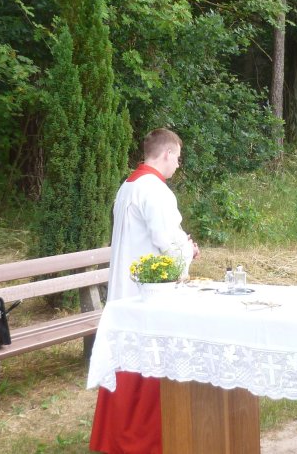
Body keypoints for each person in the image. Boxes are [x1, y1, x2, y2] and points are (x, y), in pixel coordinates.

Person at [89, 128, 199, 454]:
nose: (178, 164)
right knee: (147, 364)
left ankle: (115, 437)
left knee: (127, 363)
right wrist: (188, 250)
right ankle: (144, 441)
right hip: (147, 292)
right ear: (166, 154)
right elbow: (167, 241)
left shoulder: (128, 186)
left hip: (126, 287)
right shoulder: (155, 190)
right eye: (177, 158)